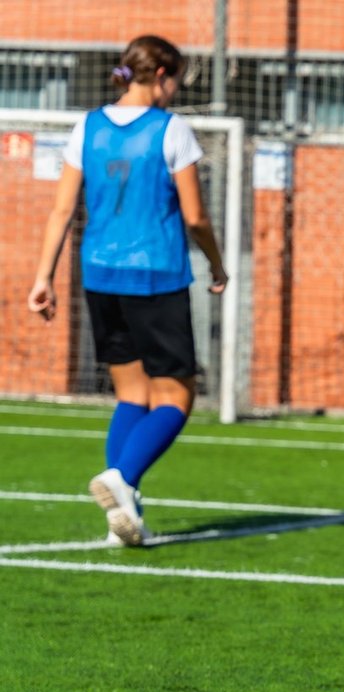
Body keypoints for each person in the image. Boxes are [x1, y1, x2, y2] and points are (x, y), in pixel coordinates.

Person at [27, 35, 228, 547]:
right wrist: (217, 263)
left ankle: (125, 517)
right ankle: (123, 478)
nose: (176, 89)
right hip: (155, 275)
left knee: (132, 393)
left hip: (99, 275)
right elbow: (196, 216)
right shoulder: (171, 129)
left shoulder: (87, 126)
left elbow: (62, 209)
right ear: (161, 75)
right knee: (177, 396)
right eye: (176, 79)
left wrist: (43, 277)